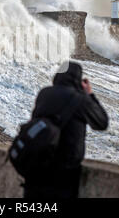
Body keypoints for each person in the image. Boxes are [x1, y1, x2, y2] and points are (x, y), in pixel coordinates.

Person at [23, 61, 109, 198]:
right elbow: (102, 123)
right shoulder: (81, 100)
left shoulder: (44, 94)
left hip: (36, 169)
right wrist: (90, 94)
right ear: (77, 80)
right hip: (63, 174)